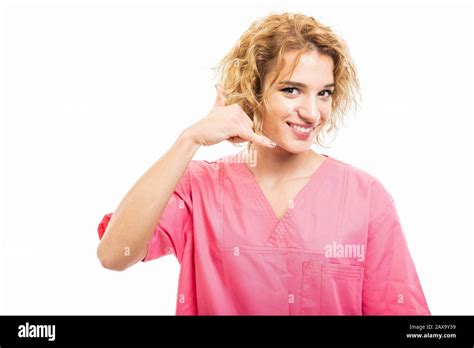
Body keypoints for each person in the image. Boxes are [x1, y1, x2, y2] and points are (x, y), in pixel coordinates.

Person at [96, 12, 430, 315]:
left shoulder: (365, 197)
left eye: (324, 93)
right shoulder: (199, 188)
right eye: (291, 90)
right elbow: (113, 255)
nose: (313, 113)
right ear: (254, 91)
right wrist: (189, 140)